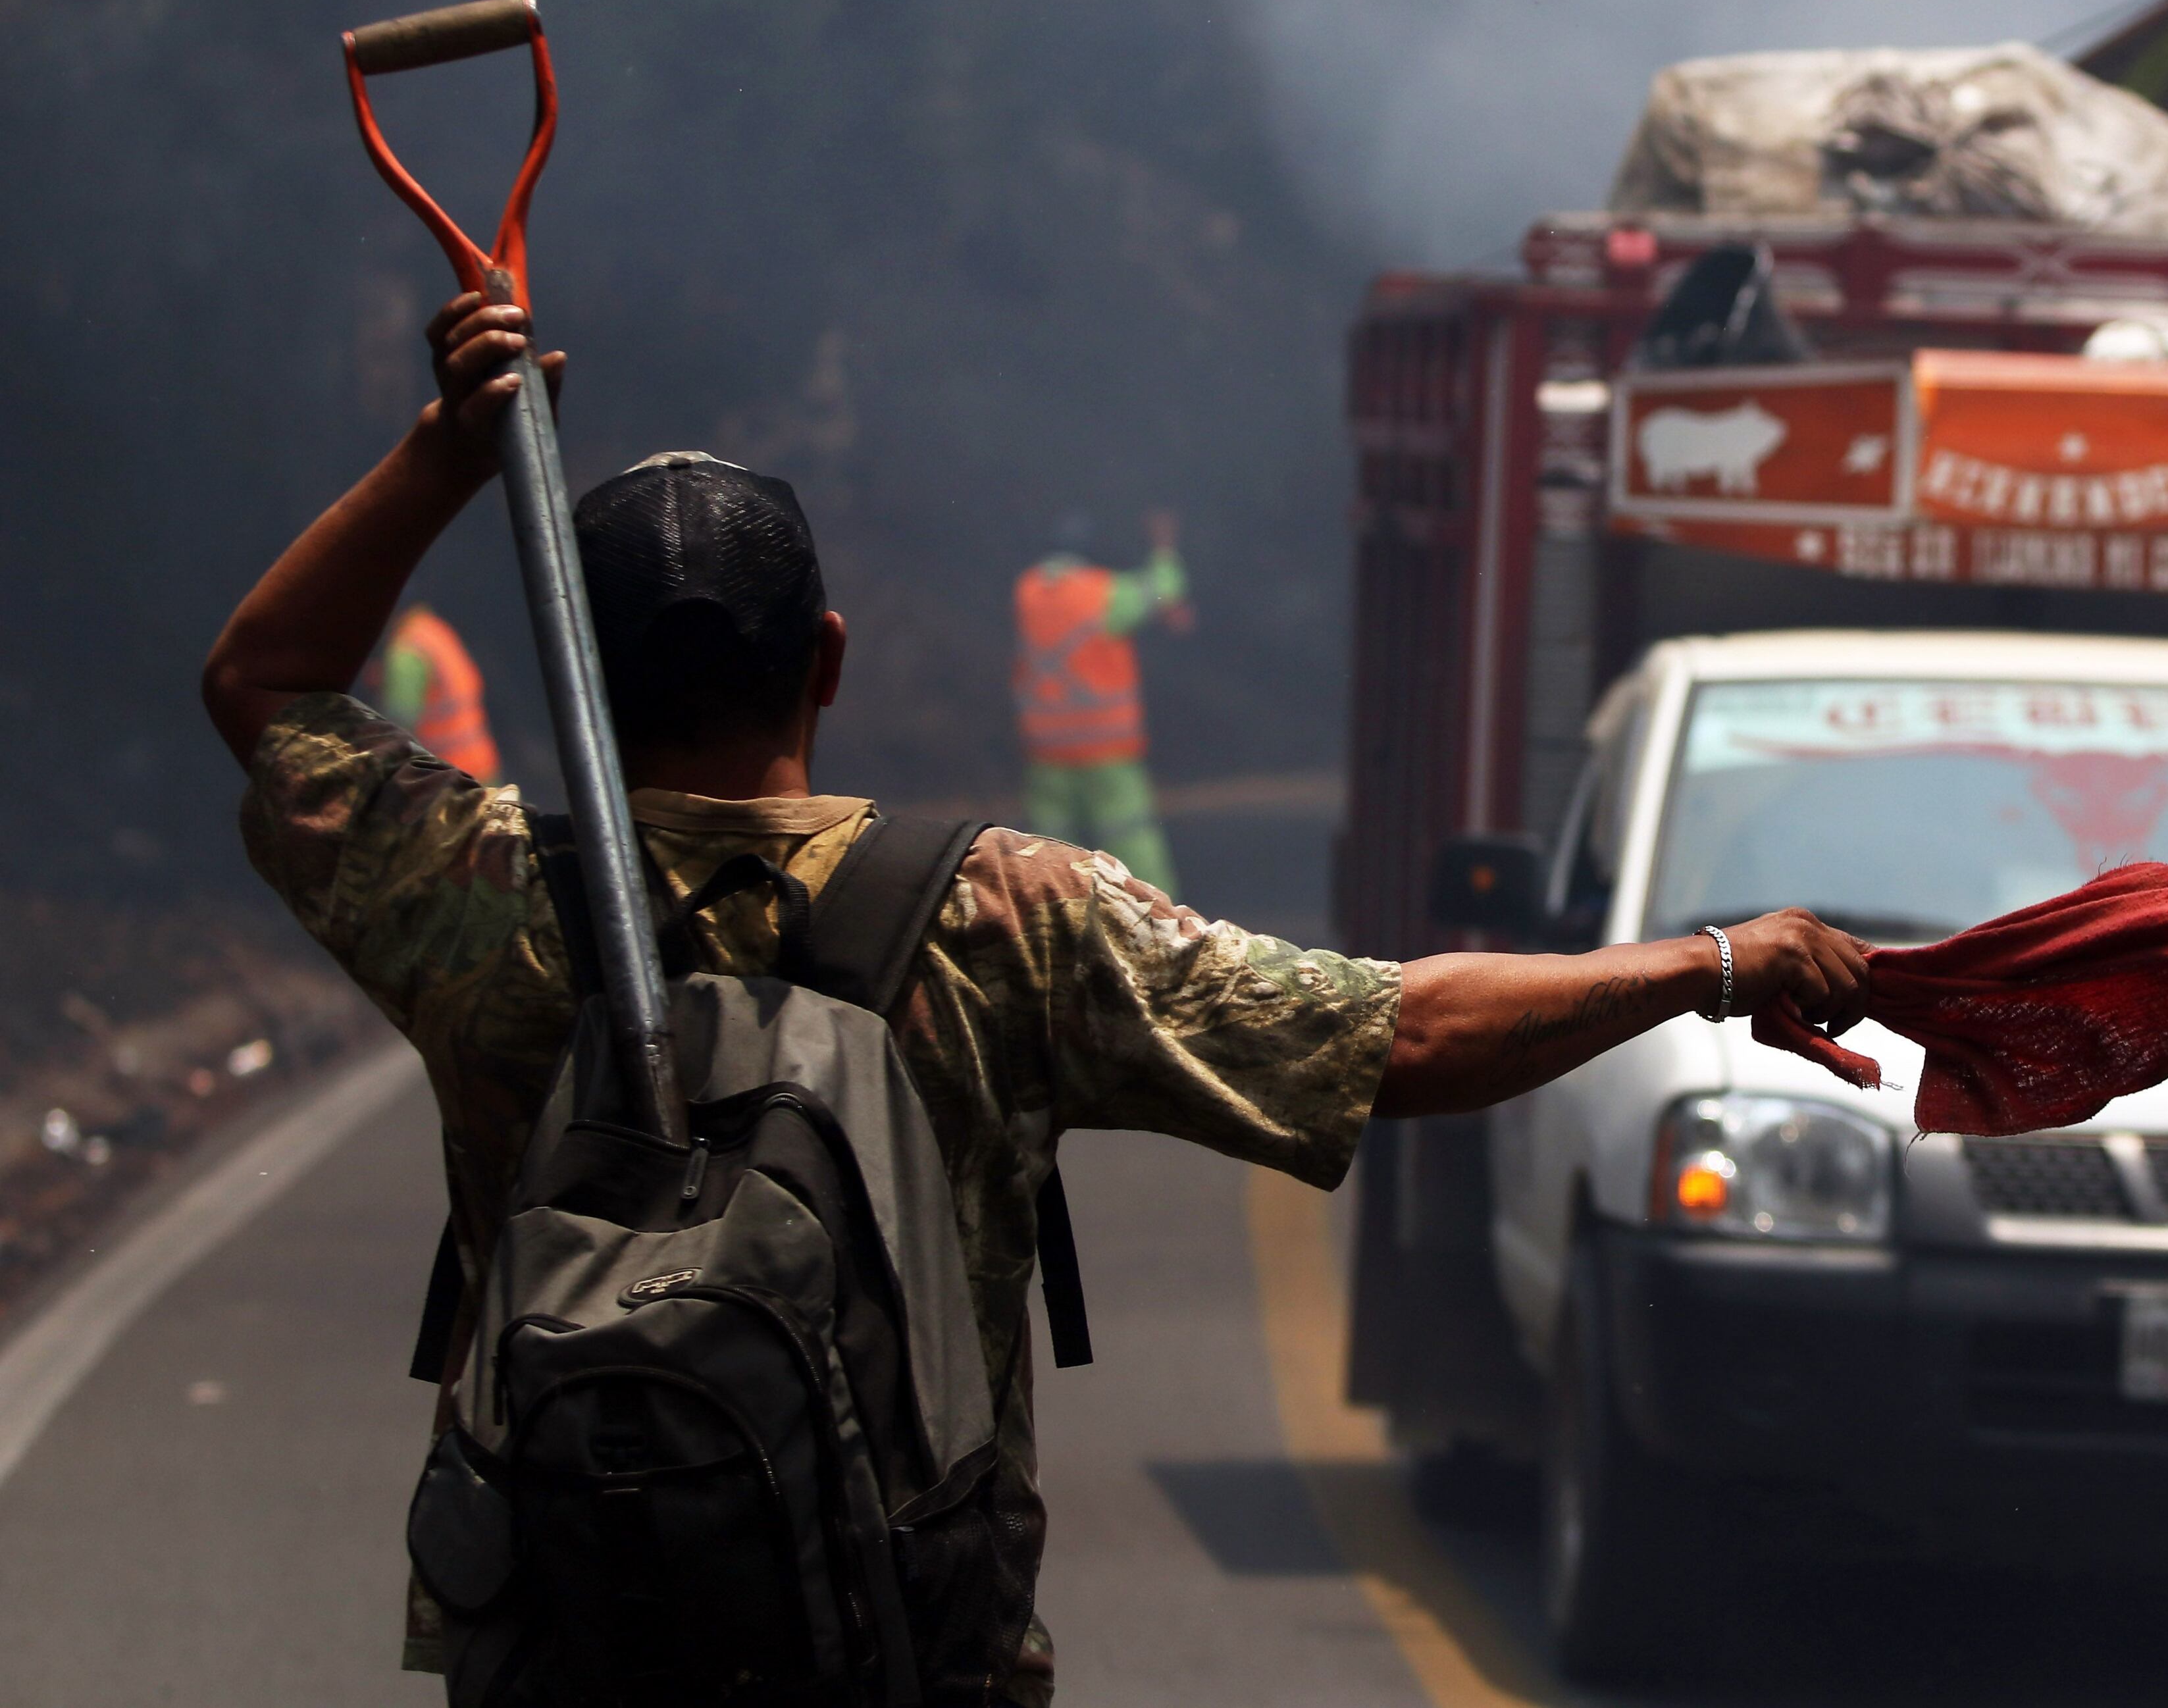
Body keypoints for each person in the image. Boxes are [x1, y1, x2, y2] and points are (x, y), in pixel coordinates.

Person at [199, 291, 1871, 1705]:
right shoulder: (1002, 913)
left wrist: (447, 441)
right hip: (908, 1651)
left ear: (587, 673)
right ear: (831, 658)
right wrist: (1708, 962)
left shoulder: (477, 892)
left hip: (562, 1643)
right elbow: (1394, 1032)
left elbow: (264, 680)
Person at [1014, 513, 1189, 891]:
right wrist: (1164, 550)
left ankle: (1045, 921)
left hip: (1047, 749)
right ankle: (1159, 923)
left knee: (1046, 851)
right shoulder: (1102, 592)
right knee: (1131, 841)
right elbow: (1164, 588)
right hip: (1104, 748)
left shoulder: (1027, 591)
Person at [373, 602, 500, 782]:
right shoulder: (432, 628)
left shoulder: (407, 651)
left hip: (448, 780)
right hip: (482, 766)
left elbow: (398, 720)